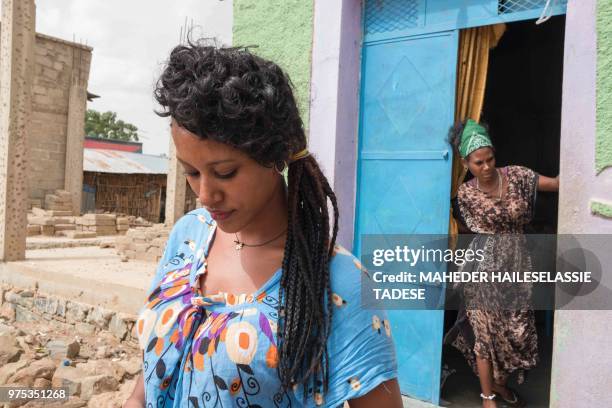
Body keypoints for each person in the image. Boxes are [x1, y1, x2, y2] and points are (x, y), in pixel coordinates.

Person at [123, 42, 401, 408]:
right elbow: (156, 366)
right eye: (191, 172)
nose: (205, 194)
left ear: (276, 155)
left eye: (225, 172)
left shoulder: (336, 281)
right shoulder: (188, 236)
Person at [445, 119, 559, 408]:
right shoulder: (466, 194)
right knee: (485, 335)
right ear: (465, 162)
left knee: (514, 334)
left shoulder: (519, 176)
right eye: (478, 162)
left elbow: (556, 184)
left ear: (495, 153)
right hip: (483, 269)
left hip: (517, 266)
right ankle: (487, 398)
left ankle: (500, 386)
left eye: (490, 159)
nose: (485, 167)